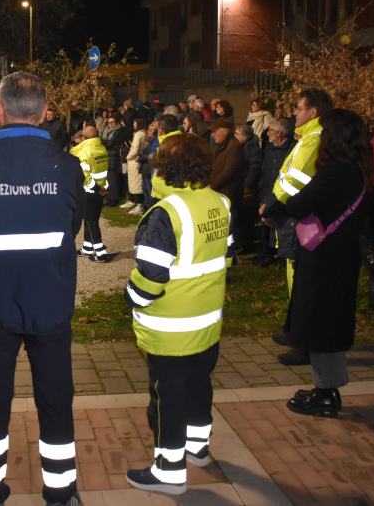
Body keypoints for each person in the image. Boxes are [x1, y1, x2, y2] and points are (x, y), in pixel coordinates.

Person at [0, 72, 85, 506]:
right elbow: (72, 226)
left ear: (0, 110)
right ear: (46, 112)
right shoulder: (67, 166)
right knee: (55, 398)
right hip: (50, 301)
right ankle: (61, 489)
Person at [123, 133, 231, 496]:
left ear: (167, 169)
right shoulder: (220, 203)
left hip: (171, 330)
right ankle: (198, 447)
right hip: (207, 322)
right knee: (200, 384)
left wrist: (132, 297)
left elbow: (151, 275)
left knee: (167, 398)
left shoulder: (166, 213)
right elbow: (225, 256)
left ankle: (170, 468)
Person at [262, 108, 371, 417]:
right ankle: (327, 387)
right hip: (342, 254)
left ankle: (326, 392)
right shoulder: (356, 169)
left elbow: (299, 202)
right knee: (332, 320)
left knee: (322, 323)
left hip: (325, 259)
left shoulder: (335, 170)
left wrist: (277, 208)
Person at [260, 88, 333, 366]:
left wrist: (273, 206)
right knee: (296, 277)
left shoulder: (314, 140)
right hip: (291, 214)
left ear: (312, 112)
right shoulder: (308, 138)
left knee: (303, 281)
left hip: (297, 216)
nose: (295, 113)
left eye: (299, 108)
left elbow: (295, 182)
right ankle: (295, 331)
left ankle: (304, 340)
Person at [255, 119, 295, 266]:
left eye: (271, 130)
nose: (268, 133)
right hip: (266, 192)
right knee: (265, 225)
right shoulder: (269, 149)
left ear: (279, 133)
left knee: (280, 225)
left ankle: (283, 256)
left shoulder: (290, 150)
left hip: (281, 195)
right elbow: (264, 172)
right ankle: (267, 254)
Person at [71, 126, 110, 262]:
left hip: (89, 191)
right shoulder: (102, 148)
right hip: (101, 189)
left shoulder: (84, 152)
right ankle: (87, 248)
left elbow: (84, 176)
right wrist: (102, 188)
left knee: (91, 221)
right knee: (90, 220)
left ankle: (100, 253)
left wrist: (95, 188)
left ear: (84, 138)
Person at [209, 119, 246, 247]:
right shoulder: (221, 146)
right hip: (219, 193)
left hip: (229, 194)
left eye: (215, 132)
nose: (212, 135)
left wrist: (212, 185)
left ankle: (230, 252)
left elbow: (229, 171)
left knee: (229, 225)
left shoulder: (234, 147)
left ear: (224, 132)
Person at [234, 123, 261, 254]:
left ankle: (246, 246)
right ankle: (241, 244)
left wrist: (247, 185)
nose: (235, 136)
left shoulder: (252, 149)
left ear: (244, 137)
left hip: (247, 190)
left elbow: (254, 169)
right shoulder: (241, 147)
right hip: (240, 187)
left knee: (245, 220)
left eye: (237, 134)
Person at [122, 116, 147, 215]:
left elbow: (135, 149)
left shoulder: (138, 134)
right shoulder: (143, 133)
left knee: (135, 183)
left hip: (134, 161)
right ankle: (133, 201)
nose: (133, 124)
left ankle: (138, 204)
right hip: (137, 159)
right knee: (135, 182)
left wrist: (128, 157)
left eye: (135, 122)